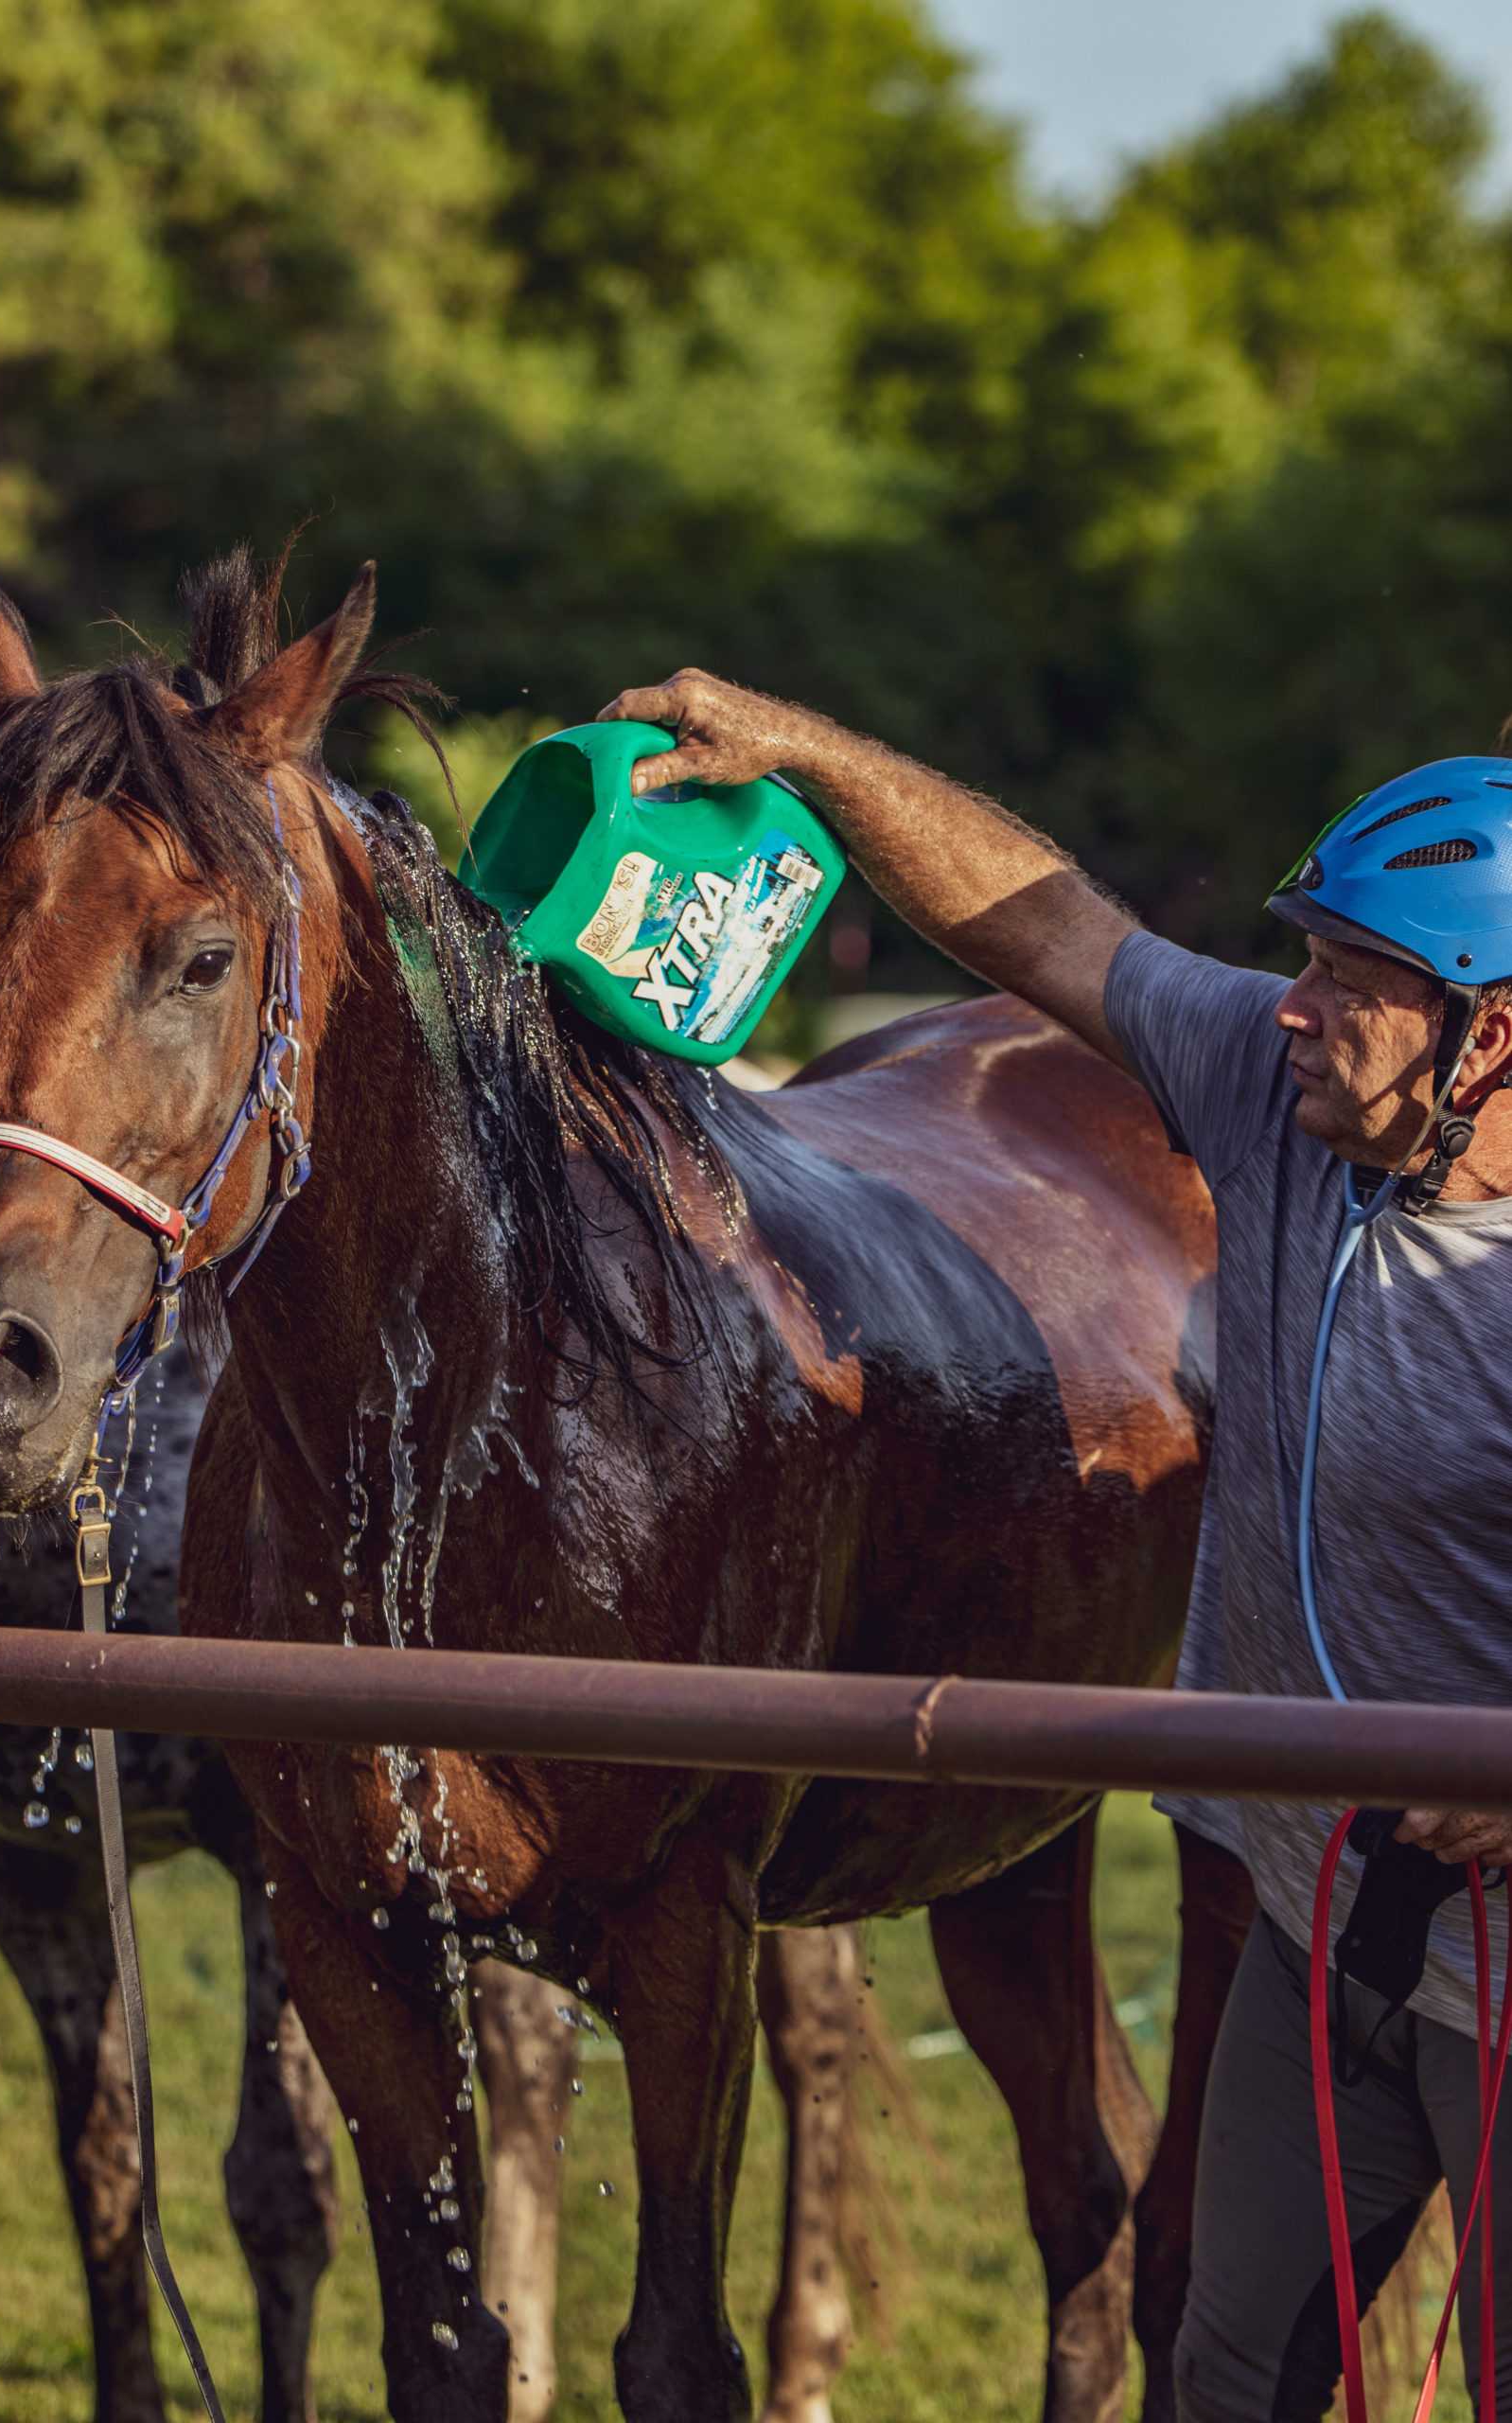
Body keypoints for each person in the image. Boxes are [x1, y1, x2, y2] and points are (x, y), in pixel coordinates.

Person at [598, 669, 1512, 2422]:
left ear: (1489, 1033)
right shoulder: (1280, 1112)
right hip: (1324, 1929)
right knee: (1223, 2380)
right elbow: (1049, 925)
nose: (1292, 1011)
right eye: (1300, 959)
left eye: (1350, 981)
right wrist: (807, 748)